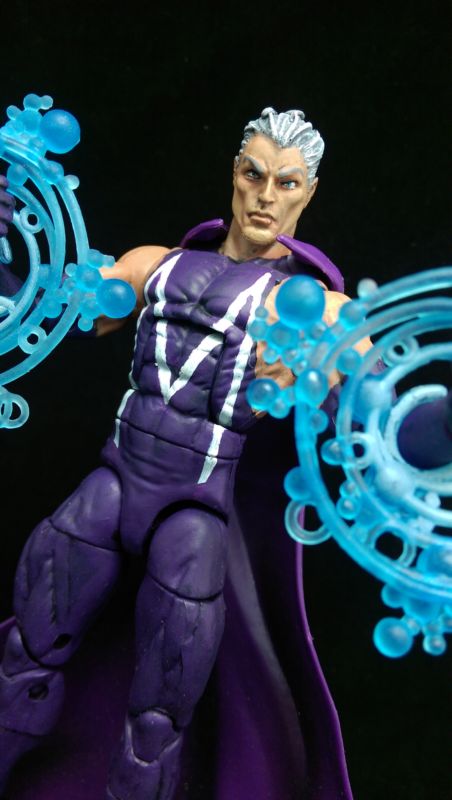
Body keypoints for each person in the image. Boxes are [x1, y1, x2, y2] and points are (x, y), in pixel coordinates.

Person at [0, 107, 450, 800]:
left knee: (158, 720)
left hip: (194, 511)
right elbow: (48, 309)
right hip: (112, 484)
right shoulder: (155, 265)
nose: (266, 196)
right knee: (24, 658)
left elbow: (382, 412)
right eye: (254, 175)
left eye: (287, 183)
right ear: (235, 174)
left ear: (308, 193)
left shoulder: (315, 311)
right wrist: (7, 244)